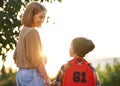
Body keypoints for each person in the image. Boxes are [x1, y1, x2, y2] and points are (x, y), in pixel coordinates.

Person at [13, 1, 51, 86]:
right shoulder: (33, 32)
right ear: (31, 15)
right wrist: (47, 79)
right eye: (40, 17)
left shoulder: (23, 31)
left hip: (20, 75)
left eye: (43, 18)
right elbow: (37, 60)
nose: (42, 20)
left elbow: (15, 56)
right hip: (31, 75)